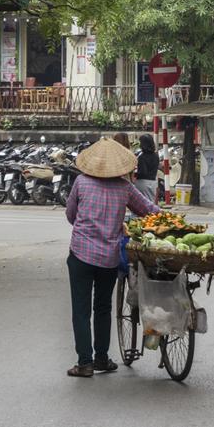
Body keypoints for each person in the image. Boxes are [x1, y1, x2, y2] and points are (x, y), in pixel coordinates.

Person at [65, 137, 158, 378]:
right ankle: (102, 359)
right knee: (103, 308)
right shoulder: (125, 188)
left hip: (80, 255)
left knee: (81, 310)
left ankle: (85, 363)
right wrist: (173, 218)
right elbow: (148, 210)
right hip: (108, 258)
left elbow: (70, 215)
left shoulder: (81, 183)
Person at [135, 133, 159, 202]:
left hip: (142, 182)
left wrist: (135, 173)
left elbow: (143, 172)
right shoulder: (156, 156)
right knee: (151, 202)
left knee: (140, 203)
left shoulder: (142, 157)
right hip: (153, 181)